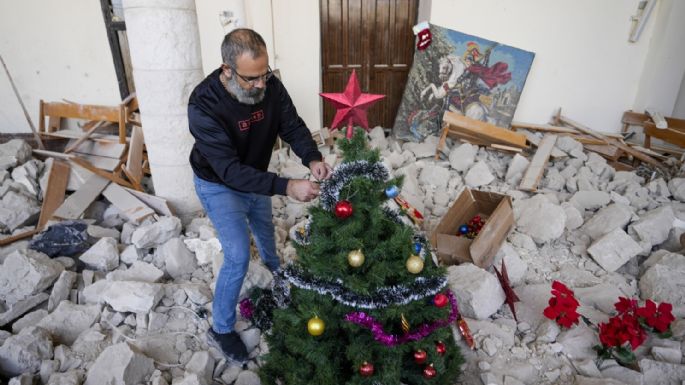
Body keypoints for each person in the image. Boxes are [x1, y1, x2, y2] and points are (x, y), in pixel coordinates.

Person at [188, 28, 332, 363]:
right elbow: (229, 171)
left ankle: (274, 276)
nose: (261, 84)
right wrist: (286, 186)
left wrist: (312, 158)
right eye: (252, 78)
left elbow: (292, 125)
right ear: (227, 69)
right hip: (218, 183)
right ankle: (221, 328)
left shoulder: (271, 87)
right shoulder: (203, 104)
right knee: (237, 256)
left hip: (255, 177)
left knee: (266, 233)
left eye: (265, 74)